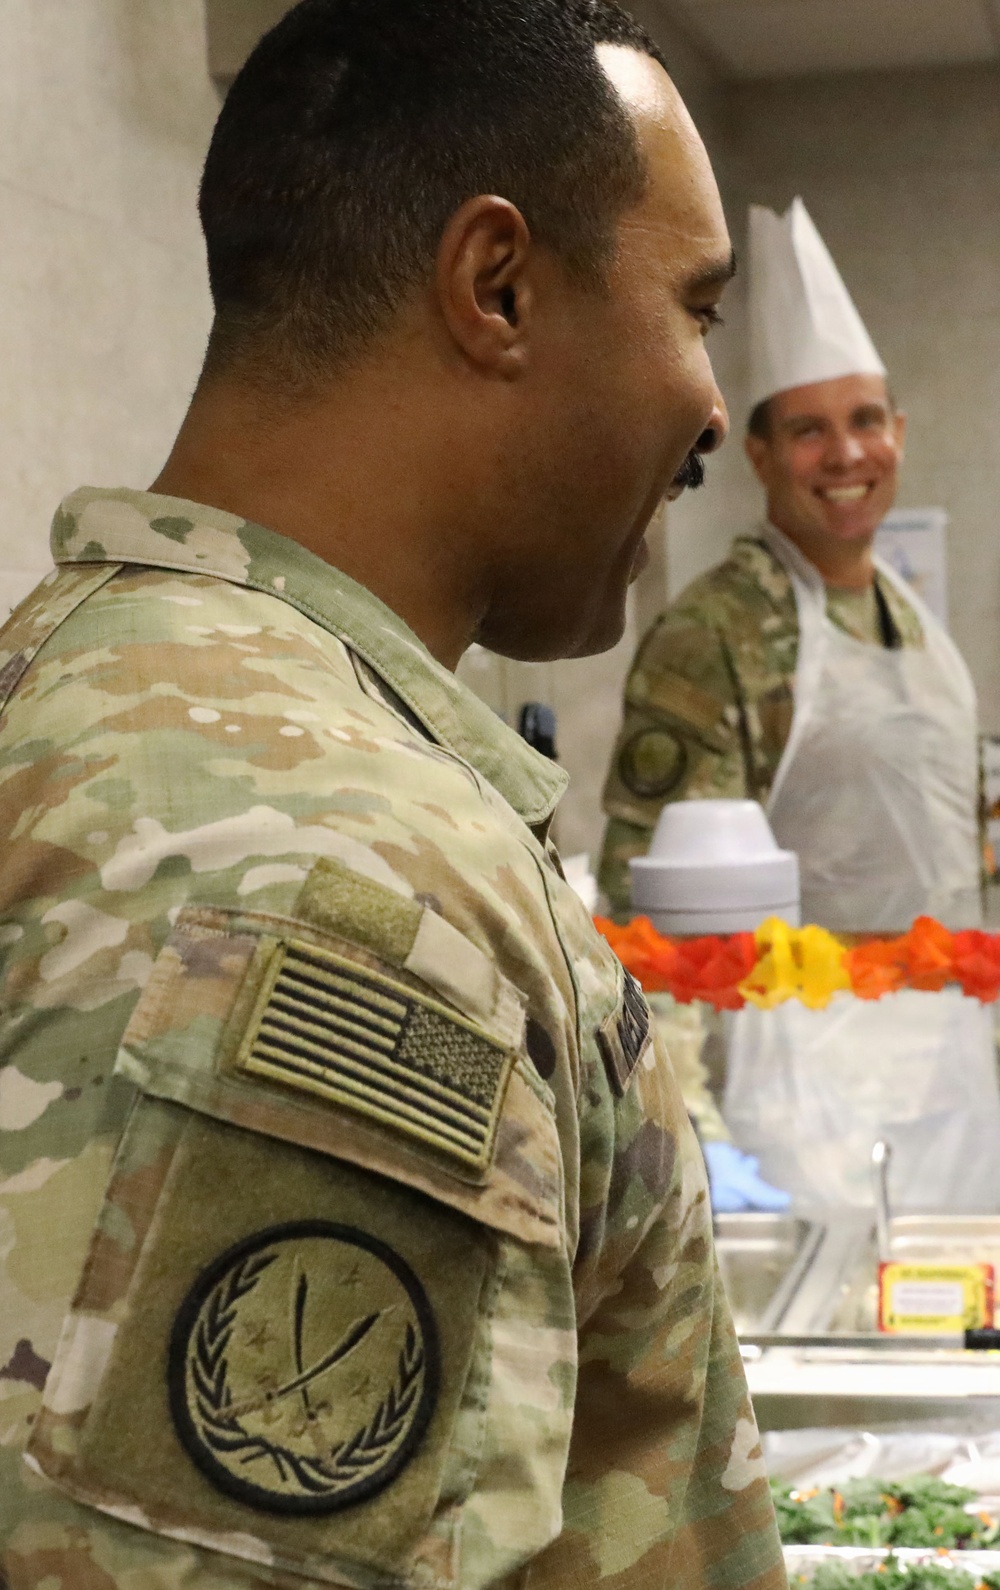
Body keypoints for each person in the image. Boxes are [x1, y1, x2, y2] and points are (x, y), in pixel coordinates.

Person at [0, 4, 786, 1587]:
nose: (713, 409)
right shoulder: (334, 877)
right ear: (495, 286)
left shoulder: (81, 685)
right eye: (695, 311)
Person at [599, 197, 1000, 1210]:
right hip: (798, 1104)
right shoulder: (720, 632)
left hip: (949, 1083)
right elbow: (660, 917)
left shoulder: (920, 628)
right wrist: (688, 1121)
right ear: (763, 456)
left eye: (864, 420)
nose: (845, 454)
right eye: (809, 431)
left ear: (898, 433)